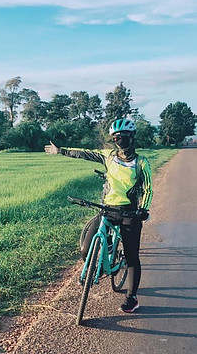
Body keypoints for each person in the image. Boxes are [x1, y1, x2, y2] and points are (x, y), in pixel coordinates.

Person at [44, 118, 153, 313]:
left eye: (124, 137)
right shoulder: (109, 156)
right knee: (87, 248)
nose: (120, 140)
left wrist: (143, 210)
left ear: (132, 137)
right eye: (116, 137)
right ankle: (102, 261)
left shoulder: (141, 162)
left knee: (131, 257)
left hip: (130, 213)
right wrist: (60, 150)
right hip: (107, 209)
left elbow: (148, 189)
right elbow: (84, 153)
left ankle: (132, 297)